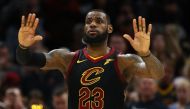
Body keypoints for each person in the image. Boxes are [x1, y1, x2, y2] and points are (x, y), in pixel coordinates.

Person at [16, 9, 164, 109]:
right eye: (89, 21)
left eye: (99, 21)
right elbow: (26, 60)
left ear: (109, 28)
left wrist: (146, 53)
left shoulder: (124, 60)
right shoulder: (65, 58)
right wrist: (23, 46)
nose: (92, 24)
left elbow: (156, 73)